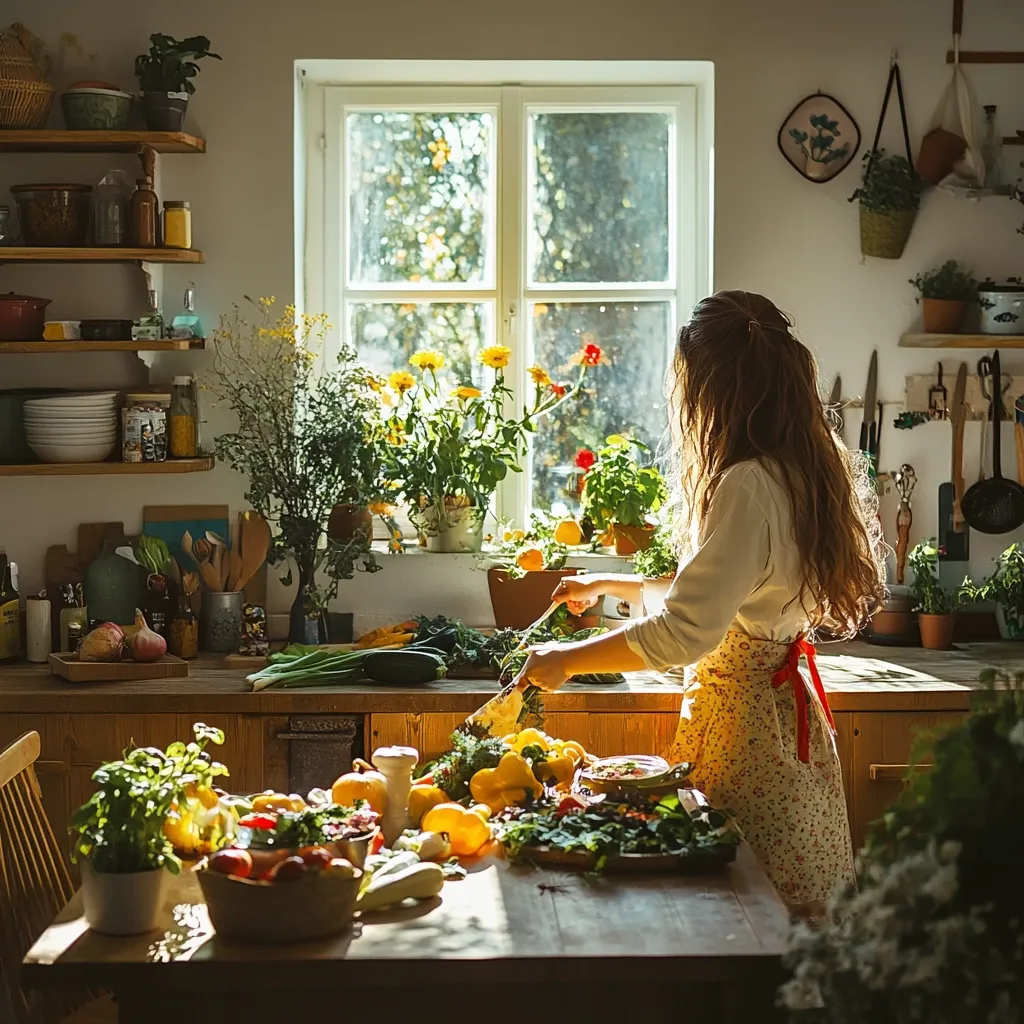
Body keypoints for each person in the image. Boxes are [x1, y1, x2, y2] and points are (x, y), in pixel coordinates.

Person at [517, 290, 884, 913]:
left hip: (746, 739)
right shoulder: (799, 472)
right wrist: (610, 586)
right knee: (791, 921)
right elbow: (736, 594)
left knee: (741, 923)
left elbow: (689, 632)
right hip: (782, 731)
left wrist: (566, 659)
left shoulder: (746, 484)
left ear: (719, 390)